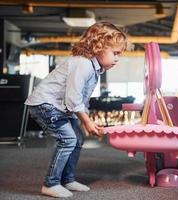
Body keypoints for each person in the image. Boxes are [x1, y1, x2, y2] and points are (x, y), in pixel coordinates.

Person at [25, 22, 127, 198]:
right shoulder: (83, 64)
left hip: (60, 106)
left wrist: (84, 121)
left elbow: (81, 98)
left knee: (77, 138)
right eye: (115, 53)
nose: (117, 58)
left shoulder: (94, 69)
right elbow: (73, 98)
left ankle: (68, 179)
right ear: (98, 47)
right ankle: (51, 183)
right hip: (44, 104)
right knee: (68, 139)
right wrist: (86, 120)